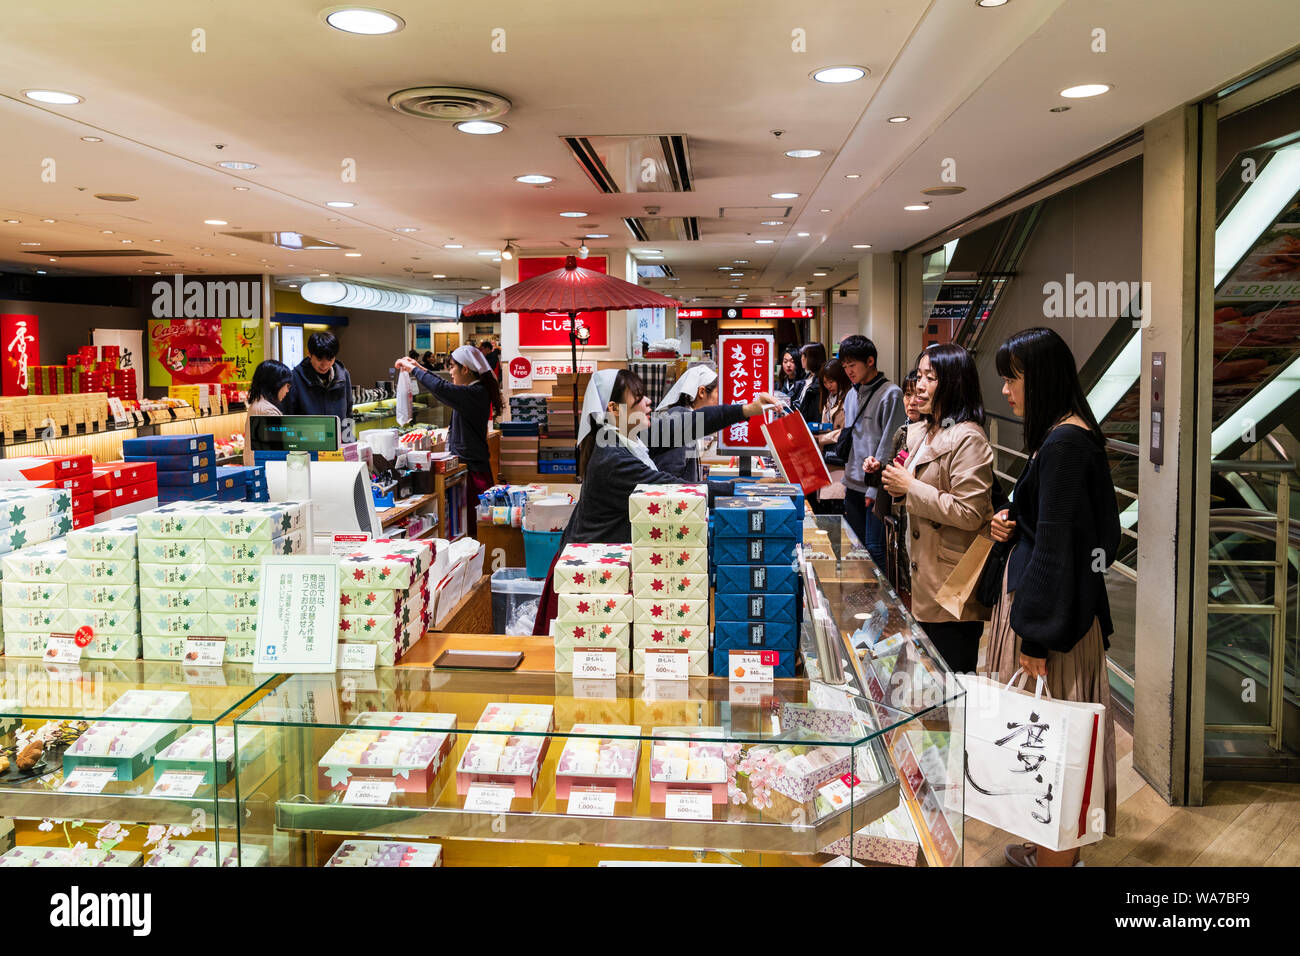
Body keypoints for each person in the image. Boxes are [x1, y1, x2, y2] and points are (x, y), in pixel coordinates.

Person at [988, 327, 1121, 868]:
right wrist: (1015, 523)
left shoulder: (1065, 442)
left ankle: (1057, 858)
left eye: (1011, 378)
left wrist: (1037, 634)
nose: (1006, 391)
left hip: (1055, 630)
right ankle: (1046, 846)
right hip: (1057, 621)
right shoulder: (1064, 436)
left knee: (1050, 743)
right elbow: (1065, 530)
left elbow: (1065, 549)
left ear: (1038, 377)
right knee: (1041, 741)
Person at [532, 368, 684, 634]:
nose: (647, 401)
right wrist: (740, 495)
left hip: (596, 572)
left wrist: (744, 411)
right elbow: (673, 489)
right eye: (638, 396)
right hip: (583, 579)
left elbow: (691, 425)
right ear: (614, 408)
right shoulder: (614, 459)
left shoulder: (626, 442)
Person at [871, 344, 993, 673]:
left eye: (931, 377)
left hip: (950, 586)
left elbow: (970, 512)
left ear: (953, 382)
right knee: (928, 678)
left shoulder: (969, 438)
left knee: (952, 679)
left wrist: (910, 487)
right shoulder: (921, 430)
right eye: (920, 375)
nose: (920, 385)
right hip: (917, 572)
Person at [394, 344, 502, 538]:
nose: (451, 372)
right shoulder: (474, 390)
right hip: (471, 468)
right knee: (468, 529)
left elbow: (443, 389)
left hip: (474, 473)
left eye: (452, 367)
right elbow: (445, 387)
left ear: (466, 369)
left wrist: (415, 370)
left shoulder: (474, 394)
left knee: (474, 531)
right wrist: (421, 368)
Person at [837, 335, 905, 566]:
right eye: (845, 367)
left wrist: (874, 490)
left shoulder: (891, 394)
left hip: (876, 486)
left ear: (870, 361)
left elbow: (890, 445)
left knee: (875, 550)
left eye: (852, 365)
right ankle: (861, 598)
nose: (848, 371)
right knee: (856, 548)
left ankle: (880, 600)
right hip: (852, 482)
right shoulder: (851, 394)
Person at [645, 365, 779, 482]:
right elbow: (670, 476)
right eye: (718, 393)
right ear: (702, 392)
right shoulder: (679, 417)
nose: (721, 400)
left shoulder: (684, 416)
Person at [283, 331, 353, 422]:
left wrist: (348, 436)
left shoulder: (343, 375)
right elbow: (288, 416)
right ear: (309, 353)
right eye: (319, 359)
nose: (325, 365)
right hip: (307, 435)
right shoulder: (295, 378)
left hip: (338, 436)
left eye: (330, 359)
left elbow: (348, 413)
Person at [812, 359, 853, 512]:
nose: (828, 386)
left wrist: (821, 438)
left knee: (836, 504)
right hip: (826, 457)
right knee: (826, 505)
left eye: (831, 382)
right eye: (825, 382)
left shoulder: (850, 398)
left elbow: (847, 431)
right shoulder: (829, 399)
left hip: (839, 458)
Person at [243, 359, 292, 465]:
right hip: (266, 471)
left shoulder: (257, 404)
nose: (287, 391)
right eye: (287, 385)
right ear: (276, 384)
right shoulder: (268, 411)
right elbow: (277, 451)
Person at [792, 342, 826, 423]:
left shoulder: (820, 381)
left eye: (804, 356)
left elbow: (816, 412)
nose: (802, 359)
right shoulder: (807, 376)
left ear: (813, 358)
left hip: (810, 425)